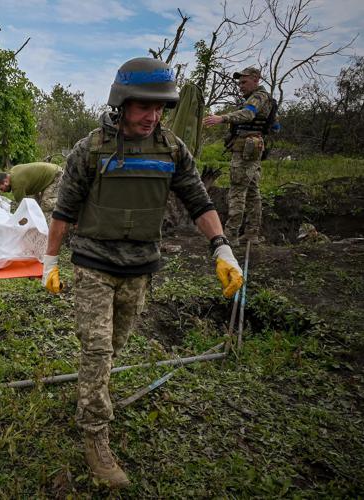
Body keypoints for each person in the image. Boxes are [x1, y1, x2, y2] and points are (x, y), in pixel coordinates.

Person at [41, 57, 244, 489]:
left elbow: (199, 202)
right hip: (94, 264)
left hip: (139, 268)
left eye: (159, 108)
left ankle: (89, 393)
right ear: (122, 104)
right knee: (96, 350)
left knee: (112, 346)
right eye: (143, 107)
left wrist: (221, 248)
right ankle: (95, 435)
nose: (152, 116)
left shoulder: (172, 150)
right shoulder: (90, 148)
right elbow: (64, 209)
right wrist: (51, 261)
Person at [203, 67, 274, 243]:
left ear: (256, 79)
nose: (240, 86)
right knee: (251, 191)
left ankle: (230, 235)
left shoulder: (259, 97)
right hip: (252, 148)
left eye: (244, 82)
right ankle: (252, 233)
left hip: (246, 150)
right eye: (239, 83)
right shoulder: (263, 98)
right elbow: (274, 126)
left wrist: (222, 118)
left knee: (237, 191)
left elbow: (249, 114)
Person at [0, 162, 64, 223]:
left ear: (5, 181)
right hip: (51, 172)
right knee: (39, 204)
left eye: (1, 188)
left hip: (55, 175)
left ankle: (68, 201)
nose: (2, 191)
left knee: (46, 204)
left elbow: (23, 208)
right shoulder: (13, 171)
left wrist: (18, 222)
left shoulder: (17, 185)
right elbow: (33, 180)